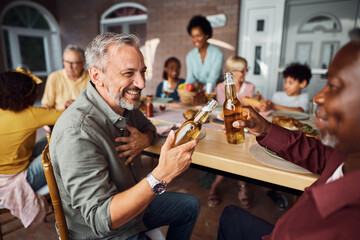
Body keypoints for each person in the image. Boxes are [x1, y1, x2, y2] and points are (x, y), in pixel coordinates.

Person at [50, 32, 200, 240]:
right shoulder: (76, 131)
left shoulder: (121, 103)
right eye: (128, 73)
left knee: (190, 205)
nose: (141, 83)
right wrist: (162, 175)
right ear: (96, 76)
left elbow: (148, 127)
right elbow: (101, 220)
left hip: (133, 207)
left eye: (142, 72)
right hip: (104, 232)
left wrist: (145, 140)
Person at [217, 40, 360, 239]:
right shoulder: (346, 155)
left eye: (334, 86)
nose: (318, 97)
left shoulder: (348, 225)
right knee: (230, 215)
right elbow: (318, 153)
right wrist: (265, 129)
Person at [0, 68, 63, 228]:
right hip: (16, 181)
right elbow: (70, 115)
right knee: (61, 143)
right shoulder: (31, 114)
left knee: (48, 140)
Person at [207, 56, 255, 208]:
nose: (246, 73)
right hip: (225, 126)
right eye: (243, 70)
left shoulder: (250, 87)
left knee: (243, 152)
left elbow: (247, 110)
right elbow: (226, 109)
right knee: (227, 152)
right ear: (232, 72)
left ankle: (237, 185)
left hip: (244, 127)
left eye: (247, 70)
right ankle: (236, 186)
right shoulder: (222, 87)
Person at [185, 15, 224, 104]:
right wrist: (185, 91)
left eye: (198, 36)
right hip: (199, 94)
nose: (195, 40)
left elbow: (212, 79)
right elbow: (190, 79)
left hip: (216, 93)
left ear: (206, 34)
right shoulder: (190, 56)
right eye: (193, 36)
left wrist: (201, 92)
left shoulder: (217, 53)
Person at [41, 44, 89, 110]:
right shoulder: (54, 77)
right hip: (58, 118)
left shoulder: (92, 78)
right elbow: (46, 106)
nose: (69, 67)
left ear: (83, 63)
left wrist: (77, 105)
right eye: (66, 62)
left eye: (74, 63)